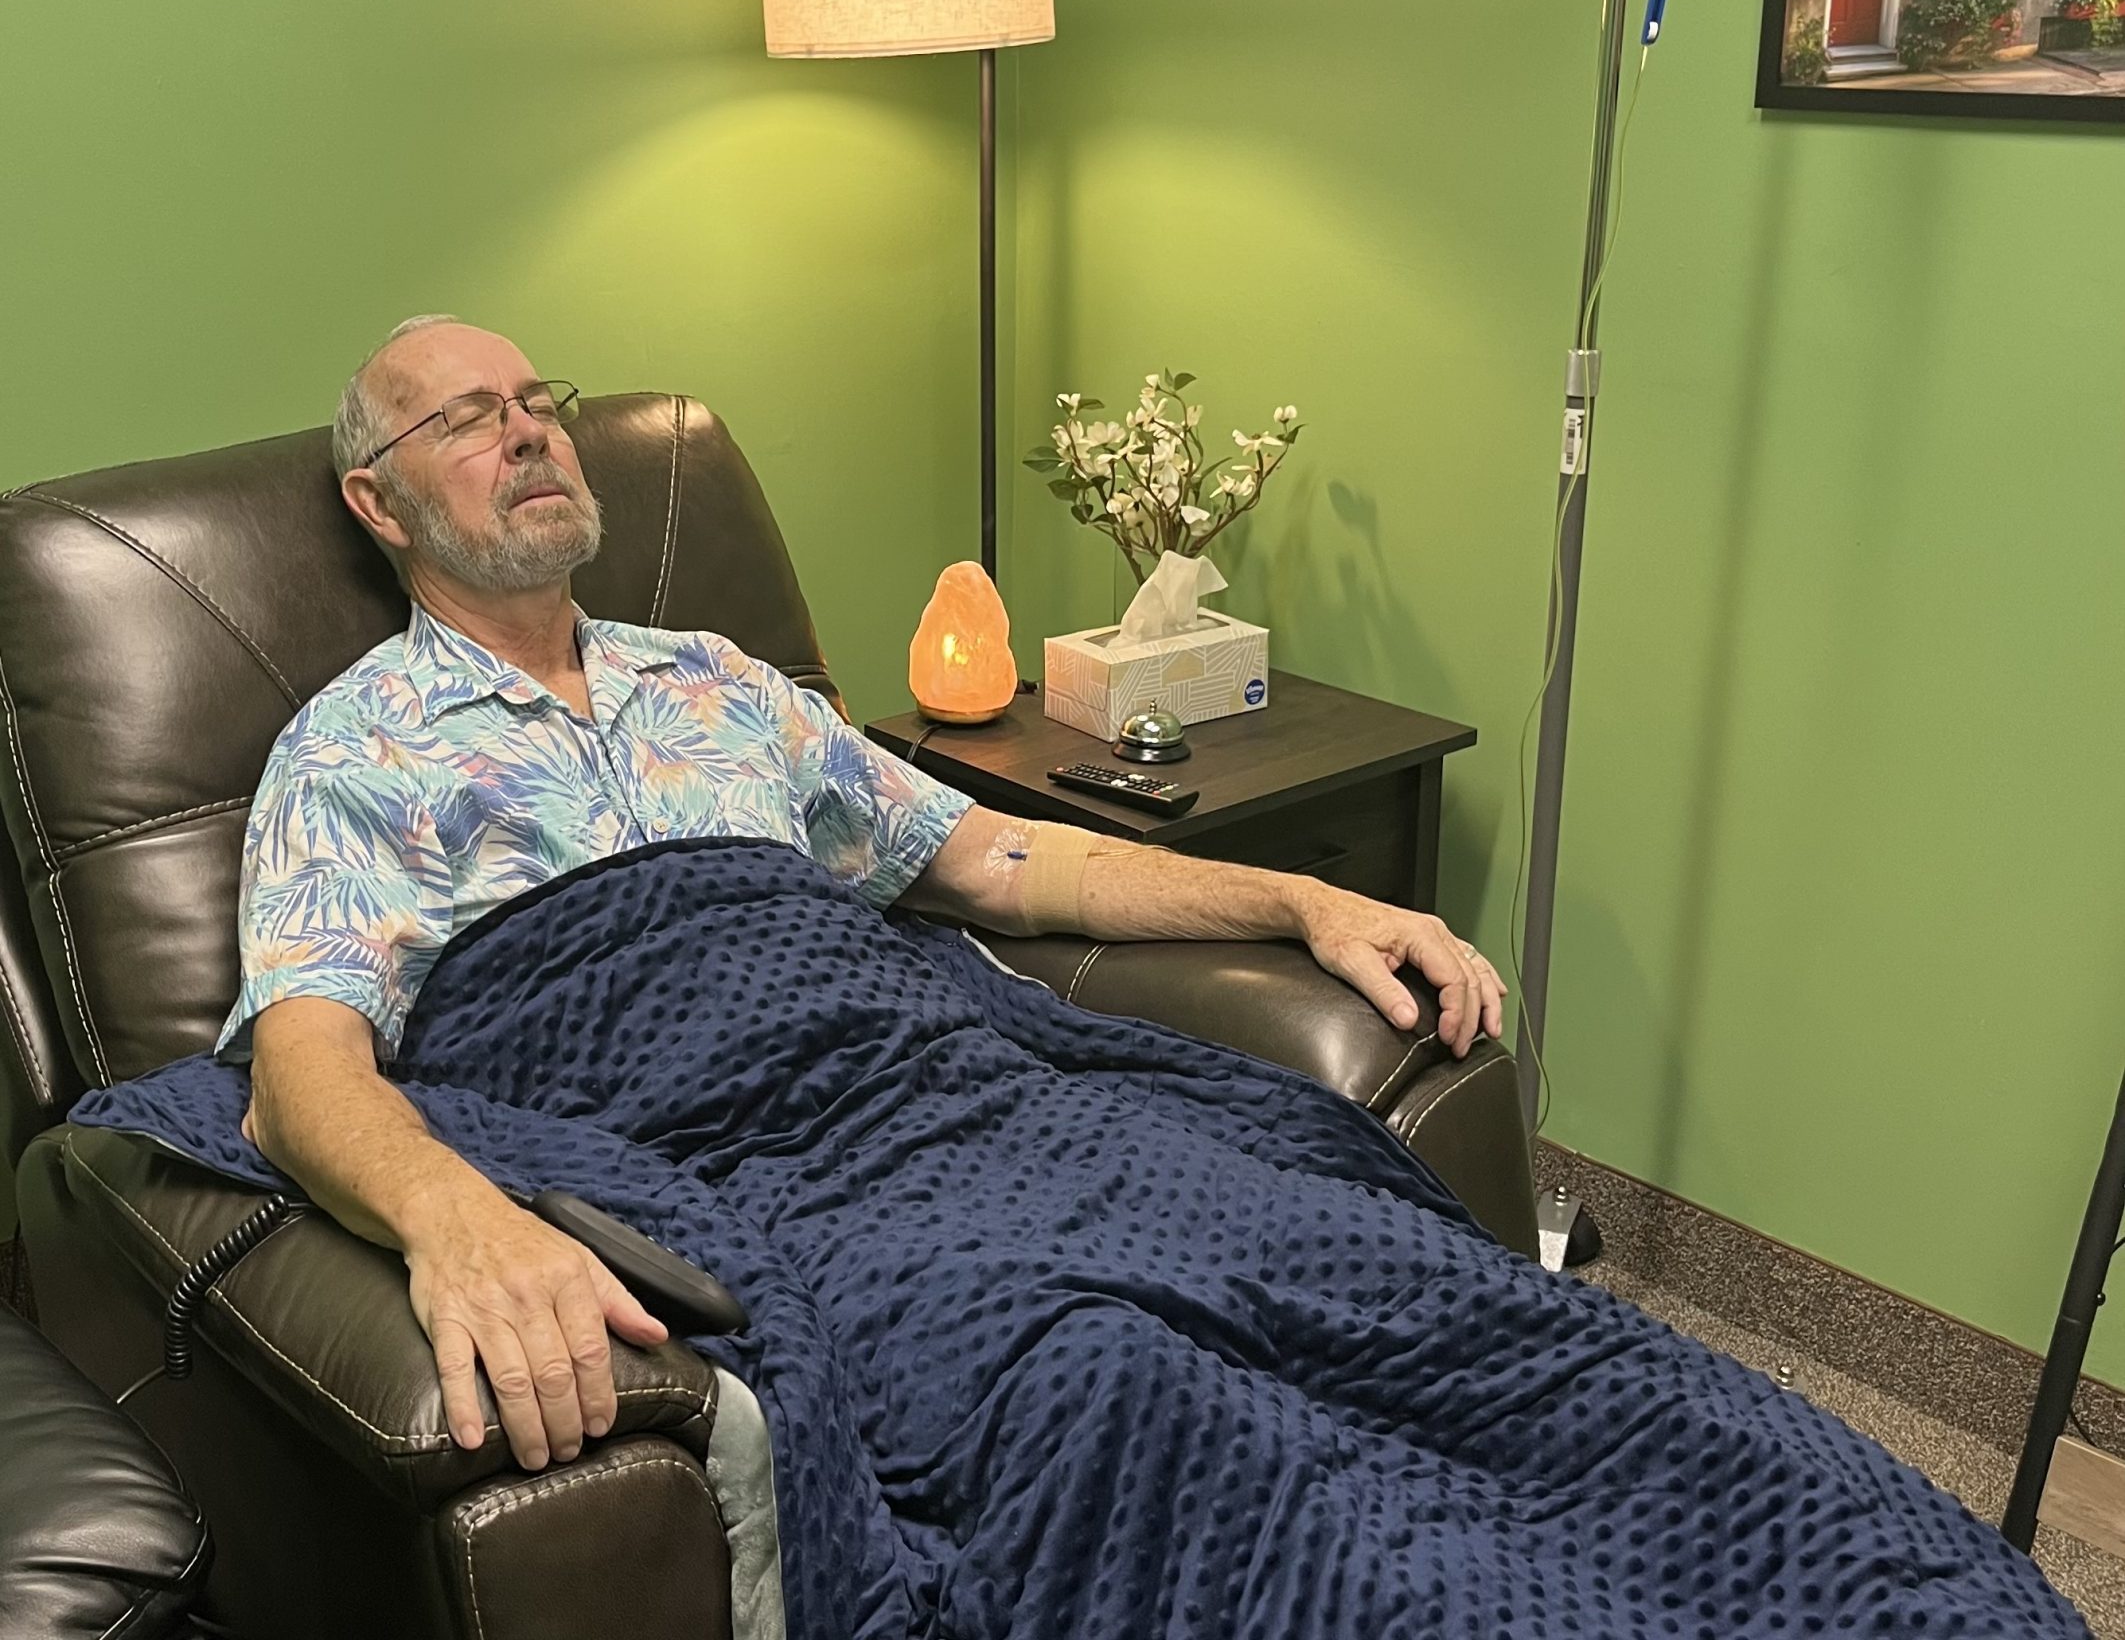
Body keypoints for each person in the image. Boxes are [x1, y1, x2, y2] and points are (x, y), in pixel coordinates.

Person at [226, 315, 1508, 1480]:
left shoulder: (716, 679)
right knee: (1109, 1382)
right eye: (466, 418)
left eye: (536, 402)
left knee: (1364, 1258)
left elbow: (998, 857)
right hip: (752, 1175)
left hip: (957, 1093)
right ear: (378, 501)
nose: (526, 433)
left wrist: (1298, 900)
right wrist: (453, 1218)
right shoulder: (353, 751)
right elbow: (300, 1072)